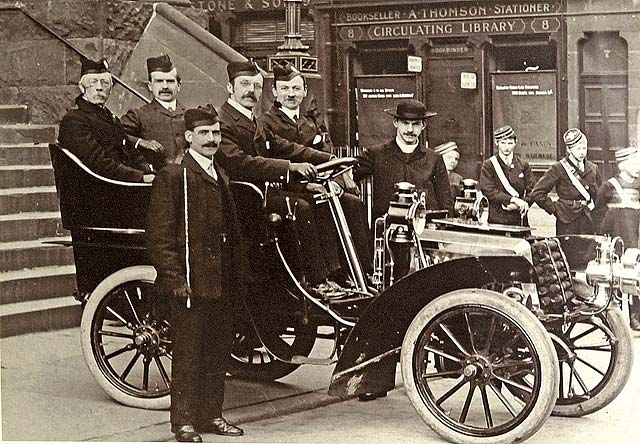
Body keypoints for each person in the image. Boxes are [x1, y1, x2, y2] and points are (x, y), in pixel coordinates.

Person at [146, 107, 246, 442]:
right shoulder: (174, 176)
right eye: (204, 134)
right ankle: (183, 422)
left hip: (219, 282)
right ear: (189, 137)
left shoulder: (220, 174)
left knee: (217, 353)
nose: (212, 140)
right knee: (188, 355)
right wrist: (175, 281)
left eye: (216, 133)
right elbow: (159, 237)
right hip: (190, 282)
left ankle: (211, 415)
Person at [216, 60, 348, 294]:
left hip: (263, 193)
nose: (251, 91)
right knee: (301, 207)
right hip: (241, 198)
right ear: (230, 87)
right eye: (244, 84)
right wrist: (291, 167)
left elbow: (283, 146)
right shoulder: (223, 121)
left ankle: (336, 272)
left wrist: (326, 158)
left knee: (322, 200)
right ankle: (315, 281)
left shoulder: (250, 118)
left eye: (257, 86)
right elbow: (241, 163)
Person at [258, 60, 371, 277]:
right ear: (274, 91)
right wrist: (308, 185)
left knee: (354, 203)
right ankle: (326, 275)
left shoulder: (310, 121)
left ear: (304, 90)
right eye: (284, 89)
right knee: (319, 205)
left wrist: (336, 182)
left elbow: (326, 153)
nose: (291, 94)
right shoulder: (266, 123)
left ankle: (362, 272)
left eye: (296, 88)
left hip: (320, 187)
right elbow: (271, 165)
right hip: (289, 190)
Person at [354, 99, 453, 222]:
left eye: (416, 124)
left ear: (423, 125)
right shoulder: (376, 154)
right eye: (405, 123)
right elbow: (346, 174)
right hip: (387, 232)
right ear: (396, 122)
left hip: (424, 233)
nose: (410, 130)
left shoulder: (434, 159)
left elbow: (446, 203)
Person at [58, 58, 154, 183]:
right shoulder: (75, 120)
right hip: (99, 187)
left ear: (111, 89)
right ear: (82, 88)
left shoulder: (110, 116)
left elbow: (130, 150)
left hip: (119, 181)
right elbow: (98, 162)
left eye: (105, 83)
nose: (99, 88)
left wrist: (148, 170)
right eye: (93, 82)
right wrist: (140, 177)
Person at [593, 147, 640, 330]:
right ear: (622, 165)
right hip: (618, 238)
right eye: (634, 162)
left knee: (636, 276)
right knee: (617, 277)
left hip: (636, 237)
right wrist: (604, 235)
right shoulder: (609, 186)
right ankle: (617, 316)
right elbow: (598, 212)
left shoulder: (639, 184)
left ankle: (636, 314)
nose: (638, 166)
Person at [531, 128, 602, 235]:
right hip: (567, 219)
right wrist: (555, 209)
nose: (582, 152)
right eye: (578, 149)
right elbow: (537, 193)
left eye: (584, 148)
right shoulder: (558, 168)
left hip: (588, 218)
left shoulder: (593, 168)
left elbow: (599, 196)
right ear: (569, 150)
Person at [121, 54, 186, 170]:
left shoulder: (190, 115)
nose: (165, 86)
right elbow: (115, 133)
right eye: (159, 81)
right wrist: (140, 142)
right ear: (150, 86)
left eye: (170, 81)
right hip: (156, 180)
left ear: (179, 86)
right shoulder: (139, 115)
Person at [479, 126, 536, 226]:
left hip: (519, 217)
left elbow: (533, 190)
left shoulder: (523, 165)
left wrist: (521, 204)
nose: (506, 147)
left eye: (510, 143)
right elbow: (488, 189)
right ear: (496, 143)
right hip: (497, 218)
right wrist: (512, 200)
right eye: (503, 143)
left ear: (515, 143)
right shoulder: (489, 164)